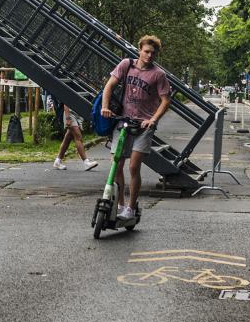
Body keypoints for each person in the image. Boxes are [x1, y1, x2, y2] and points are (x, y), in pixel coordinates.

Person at [99, 35, 172, 221]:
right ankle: (120, 204)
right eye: (146, 51)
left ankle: (131, 208)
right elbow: (109, 85)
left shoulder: (158, 74)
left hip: (143, 125)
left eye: (153, 53)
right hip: (123, 121)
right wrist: (105, 107)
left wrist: (153, 119)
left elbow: (166, 100)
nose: (149, 56)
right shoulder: (126, 65)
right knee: (117, 165)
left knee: (133, 166)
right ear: (139, 49)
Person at [53, 99, 98, 170]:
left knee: (68, 138)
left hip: (78, 114)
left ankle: (57, 161)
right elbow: (66, 100)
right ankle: (86, 162)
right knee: (78, 136)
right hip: (70, 113)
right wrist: (67, 117)